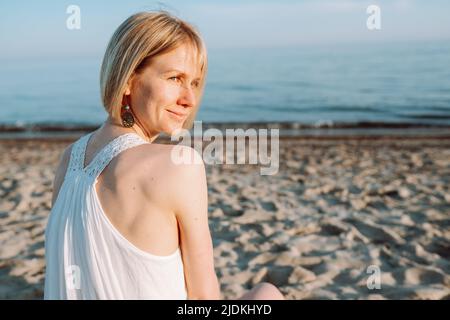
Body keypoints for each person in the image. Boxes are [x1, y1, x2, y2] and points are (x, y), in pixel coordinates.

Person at [44, 10, 284, 300]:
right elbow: (203, 299)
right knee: (267, 293)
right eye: (174, 78)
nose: (190, 99)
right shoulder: (179, 166)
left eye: (194, 82)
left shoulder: (69, 159)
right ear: (129, 80)